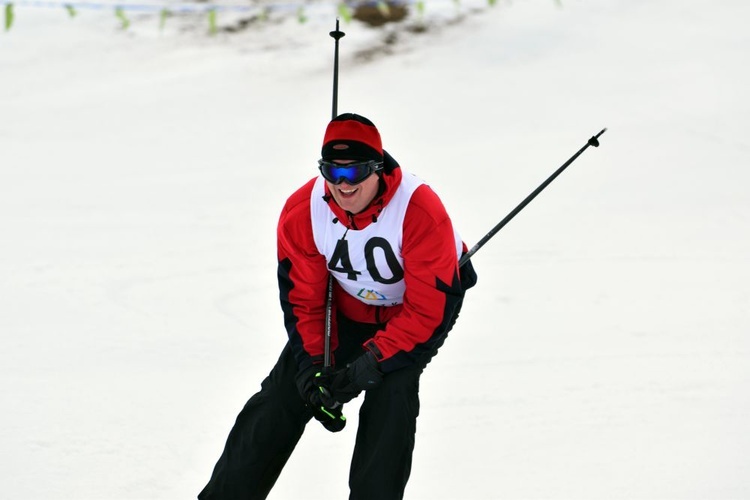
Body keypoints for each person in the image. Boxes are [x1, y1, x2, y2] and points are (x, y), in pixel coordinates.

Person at [198, 113, 477, 500]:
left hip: (412, 315)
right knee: (283, 396)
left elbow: (427, 311)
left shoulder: (420, 212)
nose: (343, 185)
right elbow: (304, 300)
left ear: (378, 169)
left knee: (392, 396)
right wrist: (314, 367)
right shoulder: (303, 211)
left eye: (356, 172)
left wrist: (369, 364)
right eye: (332, 171)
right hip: (344, 307)